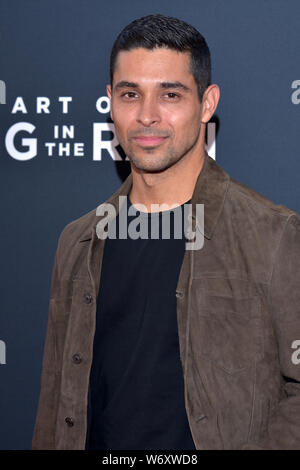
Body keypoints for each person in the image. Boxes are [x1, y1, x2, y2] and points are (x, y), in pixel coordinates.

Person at [32, 14, 300, 450]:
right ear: (110, 102)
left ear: (207, 103)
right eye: (130, 94)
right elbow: (54, 400)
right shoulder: (78, 241)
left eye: (170, 94)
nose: (147, 116)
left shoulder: (273, 235)